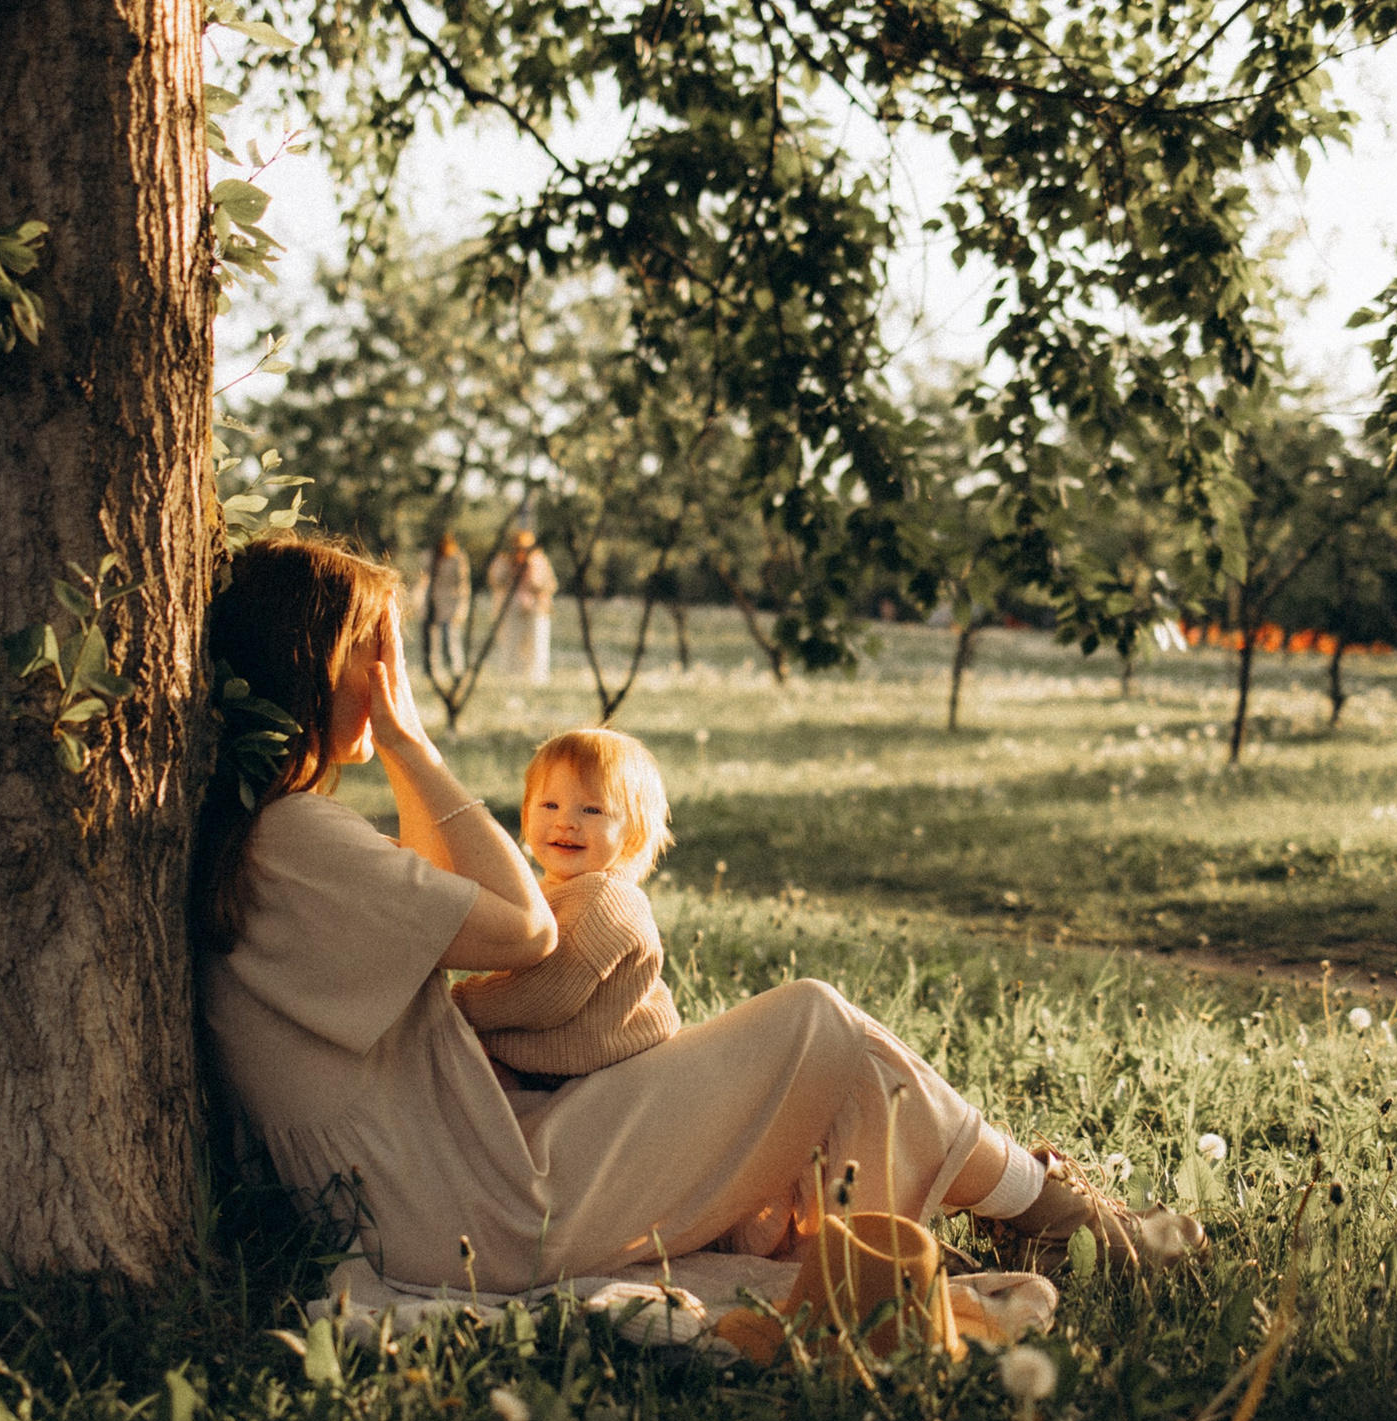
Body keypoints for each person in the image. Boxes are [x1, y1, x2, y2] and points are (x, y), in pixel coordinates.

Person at [190, 535, 1201, 1296]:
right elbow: (524, 929)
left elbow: (437, 887)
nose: (389, 678)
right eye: (376, 657)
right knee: (816, 1025)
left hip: (447, 1183)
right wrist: (410, 742)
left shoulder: (269, 840)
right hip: (480, 1209)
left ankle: (1025, 1210)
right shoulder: (295, 842)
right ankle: (1053, 1217)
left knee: (812, 1043)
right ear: (319, 664)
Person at [453, 729, 680, 1089]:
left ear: (632, 835)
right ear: (526, 815)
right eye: (550, 805)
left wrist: (459, 1004)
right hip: (548, 1062)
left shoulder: (604, 899)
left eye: (592, 810)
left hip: (599, 1077)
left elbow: (543, 996)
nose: (566, 822)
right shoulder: (552, 888)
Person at [489, 530, 557, 686]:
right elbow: (496, 580)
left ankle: (537, 678)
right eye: (518, 547)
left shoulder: (539, 561)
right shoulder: (503, 561)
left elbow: (549, 584)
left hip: (536, 607)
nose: (521, 551)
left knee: (537, 643)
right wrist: (509, 567)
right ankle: (511, 677)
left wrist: (533, 574)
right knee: (510, 643)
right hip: (510, 607)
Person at [422, 532, 470, 678]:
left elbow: (463, 584)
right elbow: (423, 571)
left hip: (451, 603)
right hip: (433, 602)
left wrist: (461, 608)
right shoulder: (433, 557)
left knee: (450, 638)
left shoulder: (457, 559)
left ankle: (456, 670)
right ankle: (431, 671)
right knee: (432, 639)